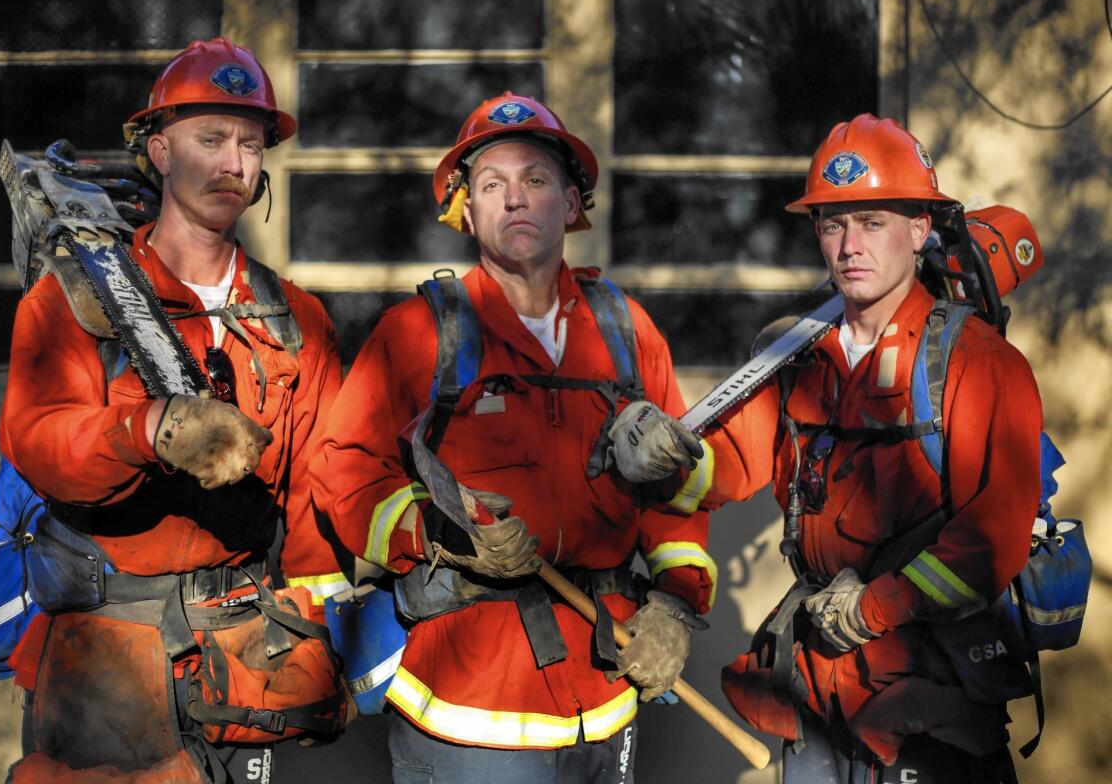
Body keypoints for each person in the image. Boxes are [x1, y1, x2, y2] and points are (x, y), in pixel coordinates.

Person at [610, 114, 1041, 782]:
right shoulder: (798, 354)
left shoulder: (976, 362)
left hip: (930, 699)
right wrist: (664, 459)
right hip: (814, 687)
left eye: (872, 222)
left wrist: (875, 609)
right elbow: (733, 466)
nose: (849, 246)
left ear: (920, 229)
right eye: (832, 224)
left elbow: (992, 541)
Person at [309, 92, 717, 783]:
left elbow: (674, 498)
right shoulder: (417, 333)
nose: (515, 200)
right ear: (465, 211)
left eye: (534, 180)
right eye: (492, 185)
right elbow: (343, 473)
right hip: (467, 707)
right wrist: (435, 533)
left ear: (571, 202)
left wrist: (676, 603)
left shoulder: (625, 333)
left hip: (606, 693)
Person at [0, 37, 347, 782]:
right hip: (108, 660)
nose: (234, 163)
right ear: (158, 151)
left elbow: (323, 493)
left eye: (251, 145)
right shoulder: (82, 297)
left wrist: (314, 634)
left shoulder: (297, 319)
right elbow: (38, 440)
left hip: (247, 651)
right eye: (210, 139)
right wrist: (145, 430)